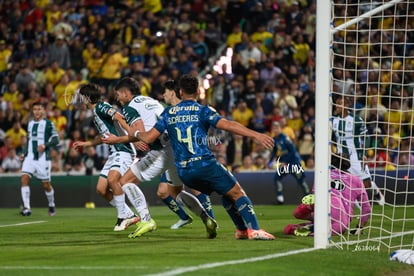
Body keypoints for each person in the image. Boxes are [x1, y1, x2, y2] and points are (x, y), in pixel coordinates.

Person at [129, 74, 275, 240]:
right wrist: (256, 135)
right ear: (198, 91)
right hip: (204, 164)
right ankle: (255, 230)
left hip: (185, 172)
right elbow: (228, 125)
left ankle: (241, 231)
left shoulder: (168, 113)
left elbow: (148, 138)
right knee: (237, 193)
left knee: (228, 195)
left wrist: (133, 132)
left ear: (180, 92)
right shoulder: (202, 110)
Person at [102, 77, 217, 239]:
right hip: (177, 148)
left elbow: (140, 131)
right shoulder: (153, 101)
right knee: (175, 191)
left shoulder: (130, 107)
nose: (117, 99)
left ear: (127, 93)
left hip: (161, 151)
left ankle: (146, 220)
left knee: (125, 182)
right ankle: (207, 218)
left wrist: (118, 139)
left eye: (118, 94)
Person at [73, 83, 141, 232]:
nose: (80, 100)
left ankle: (123, 217)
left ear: (87, 97)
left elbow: (119, 117)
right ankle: (129, 215)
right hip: (114, 152)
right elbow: (102, 137)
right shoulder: (95, 113)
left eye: (82, 97)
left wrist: (133, 135)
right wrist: (85, 144)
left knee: (112, 180)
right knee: (101, 190)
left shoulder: (101, 106)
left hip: (123, 150)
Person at [161, 80, 216, 225]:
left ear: (174, 92)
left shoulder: (175, 112)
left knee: (194, 188)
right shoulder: (167, 111)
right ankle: (186, 217)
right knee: (164, 192)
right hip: (171, 156)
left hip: (185, 156)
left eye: (165, 92)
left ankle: (210, 218)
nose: (163, 96)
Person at [284, 153, 372, 237]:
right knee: (334, 225)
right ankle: (314, 230)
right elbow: (366, 207)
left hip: (322, 213)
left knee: (314, 213)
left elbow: (314, 195)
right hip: (341, 218)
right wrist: (360, 227)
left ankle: (305, 215)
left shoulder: (323, 176)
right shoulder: (356, 180)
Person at [332, 97, 385, 206]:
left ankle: (376, 191)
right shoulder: (333, 121)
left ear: (346, 105)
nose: (337, 106)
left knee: (366, 184)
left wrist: (364, 154)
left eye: (339, 104)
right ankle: (358, 211)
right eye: (336, 104)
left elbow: (366, 136)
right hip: (341, 157)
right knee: (347, 185)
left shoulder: (356, 119)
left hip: (356, 156)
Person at [20, 102, 59, 216]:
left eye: (39, 109)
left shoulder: (48, 124)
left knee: (46, 185)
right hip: (30, 158)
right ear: (32, 111)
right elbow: (29, 140)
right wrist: (24, 153)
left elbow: (56, 140)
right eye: (35, 109)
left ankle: (51, 204)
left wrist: (45, 145)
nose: (37, 111)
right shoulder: (30, 124)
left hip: (43, 159)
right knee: (24, 179)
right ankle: (27, 208)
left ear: (43, 111)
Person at [267, 121, 310, 204]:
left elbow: (293, 151)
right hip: (284, 163)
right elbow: (274, 152)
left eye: (277, 128)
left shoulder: (285, 138)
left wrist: (286, 162)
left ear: (280, 129)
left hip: (294, 162)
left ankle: (308, 197)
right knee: (277, 178)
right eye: (274, 128)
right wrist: (269, 162)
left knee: (300, 180)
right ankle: (280, 199)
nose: (275, 130)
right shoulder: (275, 139)